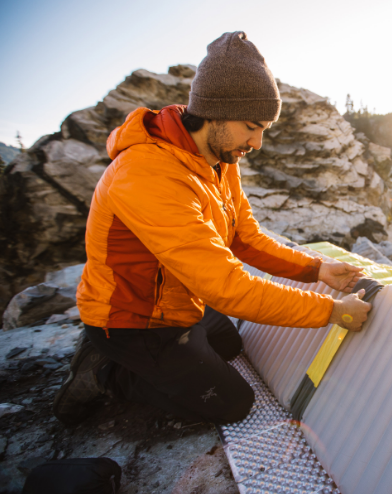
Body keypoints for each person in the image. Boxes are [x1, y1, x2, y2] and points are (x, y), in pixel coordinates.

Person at [53, 31, 372, 426]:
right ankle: (105, 372)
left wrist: (316, 269)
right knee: (231, 404)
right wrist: (332, 311)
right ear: (214, 112)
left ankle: (156, 359)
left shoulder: (220, 160)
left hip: (177, 301)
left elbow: (245, 237)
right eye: (251, 127)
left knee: (227, 342)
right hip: (130, 318)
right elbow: (227, 287)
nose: (256, 142)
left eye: (264, 130)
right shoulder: (146, 174)